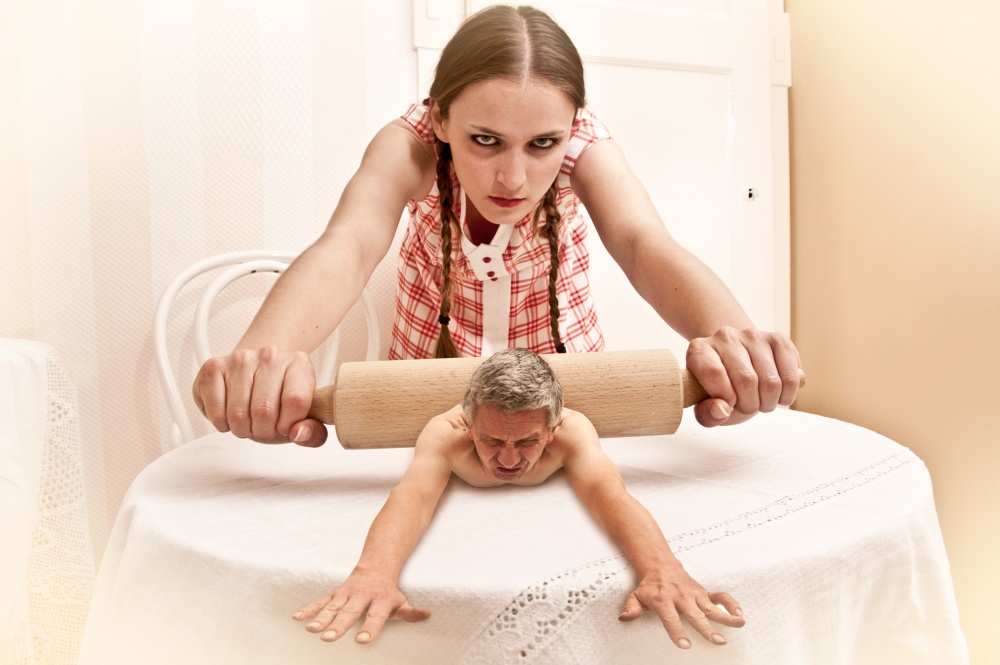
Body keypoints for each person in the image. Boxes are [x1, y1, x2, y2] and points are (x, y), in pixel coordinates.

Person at [192, 5, 802, 447]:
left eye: (543, 144)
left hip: (567, 394)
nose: (513, 178)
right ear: (440, 119)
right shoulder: (410, 146)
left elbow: (645, 245)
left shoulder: (586, 146)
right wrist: (263, 359)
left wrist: (738, 345)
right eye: (485, 140)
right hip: (426, 394)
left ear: (572, 126)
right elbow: (348, 246)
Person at [292, 348, 746, 649]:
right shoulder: (446, 432)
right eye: (491, 440)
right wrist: (375, 573)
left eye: (527, 441)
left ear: (552, 429)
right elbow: (413, 496)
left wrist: (662, 569)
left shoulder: (572, 430)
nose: (508, 459)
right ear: (469, 425)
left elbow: (608, 493)